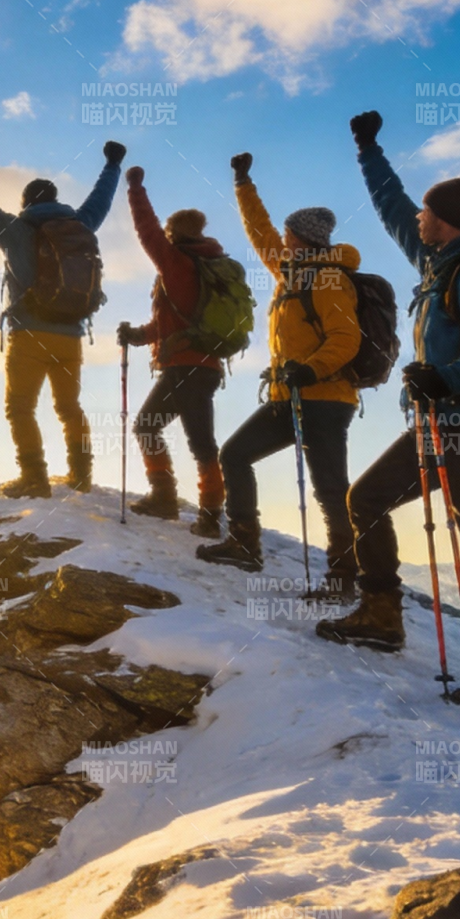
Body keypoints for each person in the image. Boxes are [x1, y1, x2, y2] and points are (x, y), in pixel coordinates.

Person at [317, 110, 460, 711]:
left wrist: (442, 378)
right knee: (366, 498)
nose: (418, 216)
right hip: (441, 424)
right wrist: (368, 149)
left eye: (427, 211)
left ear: (446, 221)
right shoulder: (440, 264)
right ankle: (382, 615)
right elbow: (393, 205)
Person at [196, 151, 361, 601]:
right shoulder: (288, 273)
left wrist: (308, 370)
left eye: (287, 235)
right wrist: (243, 183)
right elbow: (258, 231)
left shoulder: (328, 280)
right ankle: (245, 545)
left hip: (326, 399)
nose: (280, 241)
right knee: (234, 455)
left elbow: (347, 339)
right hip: (287, 396)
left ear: (302, 240)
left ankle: (344, 579)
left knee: (330, 491)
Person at [0, 134, 123, 498]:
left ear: (25, 203)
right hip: (71, 334)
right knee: (70, 408)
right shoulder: (81, 224)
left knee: (20, 408)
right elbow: (101, 198)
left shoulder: (14, 230)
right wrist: (113, 165)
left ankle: (35, 478)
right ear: (55, 201)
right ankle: (81, 475)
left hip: (30, 334)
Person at [116, 165, 235, 535]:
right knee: (195, 438)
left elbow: (145, 229)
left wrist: (135, 187)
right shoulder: (211, 265)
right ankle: (204, 511)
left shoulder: (175, 262)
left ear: (174, 233)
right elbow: (175, 323)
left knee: (157, 430)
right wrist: (139, 335)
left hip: (184, 367)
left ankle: (176, 503)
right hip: (206, 365)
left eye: (167, 234)